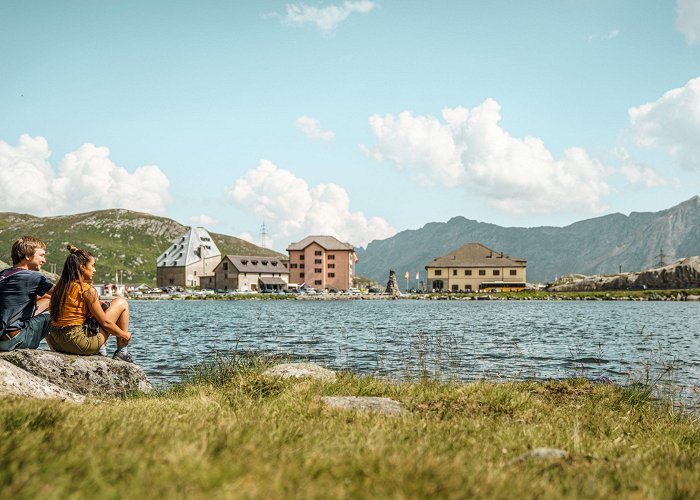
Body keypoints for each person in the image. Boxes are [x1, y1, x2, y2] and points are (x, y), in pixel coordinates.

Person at [47, 244, 134, 362]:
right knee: (121, 303)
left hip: (57, 342)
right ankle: (122, 351)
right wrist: (124, 335)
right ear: (82, 266)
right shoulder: (86, 289)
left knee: (97, 314)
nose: (94, 270)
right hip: (78, 344)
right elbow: (106, 323)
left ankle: (102, 349)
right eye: (92, 266)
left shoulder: (60, 287)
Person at [0, 236, 55, 351]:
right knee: (56, 310)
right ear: (27, 256)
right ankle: (59, 350)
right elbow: (64, 294)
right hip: (14, 340)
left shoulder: (4, 274)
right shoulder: (32, 277)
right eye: (41, 255)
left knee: (48, 300)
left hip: (3, 337)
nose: (44, 260)